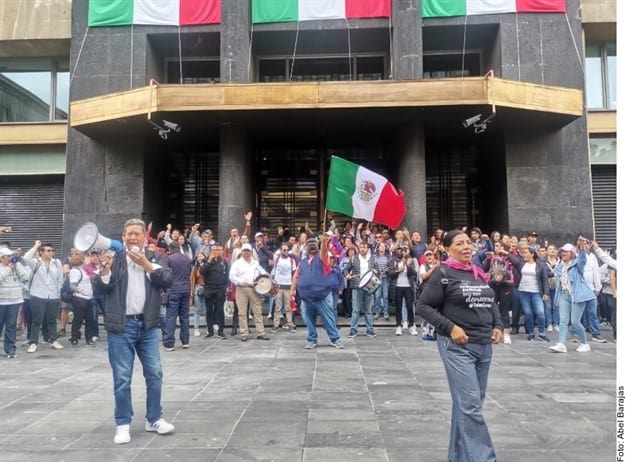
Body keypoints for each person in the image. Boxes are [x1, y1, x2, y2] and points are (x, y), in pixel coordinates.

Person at [417, 229, 503, 462]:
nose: (467, 247)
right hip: (457, 347)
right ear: (446, 249)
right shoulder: (443, 272)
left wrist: (498, 325)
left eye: (469, 242)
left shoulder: (477, 273)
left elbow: (490, 302)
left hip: (484, 345)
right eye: (460, 243)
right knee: (471, 405)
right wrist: (451, 328)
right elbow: (422, 306)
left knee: (468, 405)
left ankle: (458, 456)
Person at [92, 218, 175, 444]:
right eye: (129, 234)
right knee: (121, 378)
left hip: (147, 326)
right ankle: (122, 423)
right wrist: (105, 270)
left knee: (155, 374)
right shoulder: (114, 260)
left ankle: (154, 418)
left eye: (137, 233)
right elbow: (99, 288)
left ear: (143, 237)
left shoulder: (157, 258)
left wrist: (147, 266)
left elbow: (167, 279)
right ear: (123, 237)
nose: (133, 237)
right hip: (121, 327)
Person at [290, 236, 344, 349]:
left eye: (314, 243)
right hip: (305, 297)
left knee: (329, 318)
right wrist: (292, 290)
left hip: (322, 295)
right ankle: (311, 339)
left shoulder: (322, 258)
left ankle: (335, 339)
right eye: (309, 244)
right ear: (305, 247)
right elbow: (296, 276)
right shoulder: (302, 262)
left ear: (317, 246)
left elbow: (323, 252)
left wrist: (324, 243)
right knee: (308, 320)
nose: (311, 245)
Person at [549, 239, 596, 353]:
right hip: (564, 294)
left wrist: (582, 247)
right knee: (563, 321)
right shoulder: (559, 267)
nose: (563, 253)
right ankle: (561, 344)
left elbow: (583, 259)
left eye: (566, 251)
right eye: (562, 251)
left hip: (577, 295)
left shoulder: (577, 265)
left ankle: (584, 343)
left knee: (575, 321)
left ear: (572, 253)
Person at [23, 241, 65, 352]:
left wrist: (59, 293)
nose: (51, 252)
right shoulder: (36, 262)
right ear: (41, 252)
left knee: (52, 320)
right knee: (37, 320)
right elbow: (26, 258)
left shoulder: (57, 263)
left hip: (53, 295)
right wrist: (36, 246)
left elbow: (60, 279)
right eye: (48, 250)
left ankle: (53, 340)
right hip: (38, 294)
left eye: (52, 250)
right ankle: (33, 342)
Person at [229, 243, 270, 341]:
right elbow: (232, 276)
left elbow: (262, 272)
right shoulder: (237, 263)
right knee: (242, 313)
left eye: (248, 251)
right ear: (242, 252)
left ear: (251, 252)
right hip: (241, 289)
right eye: (245, 251)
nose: (246, 253)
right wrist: (240, 282)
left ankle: (261, 332)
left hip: (254, 288)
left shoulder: (255, 262)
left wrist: (266, 276)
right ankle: (244, 333)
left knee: (258, 311)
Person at [343, 241, 378, 339]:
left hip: (369, 286)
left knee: (368, 310)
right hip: (357, 286)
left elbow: (378, 271)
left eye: (364, 247)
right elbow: (345, 269)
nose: (362, 249)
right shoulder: (354, 258)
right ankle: (353, 330)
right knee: (355, 310)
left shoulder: (372, 258)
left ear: (368, 249)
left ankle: (370, 330)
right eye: (361, 247)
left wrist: (376, 271)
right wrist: (347, 275)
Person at [0, 247, 30, 358]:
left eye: (11, 256)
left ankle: (10, 349)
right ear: (1, 258)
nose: (10, 258)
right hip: (2, 301)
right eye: (8, 256)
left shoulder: (16, 265)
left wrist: (17, 266)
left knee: (11, 326)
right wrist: (8, 268)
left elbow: (26, 277)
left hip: (15, 300)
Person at [515, 246, 550, 342]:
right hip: (523, 292)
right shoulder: (521, 264)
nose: (524, 255)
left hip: (536, 292)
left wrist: (546, 292)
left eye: (526, 253)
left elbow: (544, 279)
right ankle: (531, 333)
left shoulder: (540, 265)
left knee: (540, 312)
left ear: (532, 254)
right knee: (528, 313)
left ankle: (542, 333)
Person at [162, 242, 192, 351]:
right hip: (186, 289)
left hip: (174, 289)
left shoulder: (169, 258)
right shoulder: (187, 258)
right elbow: (189, 272)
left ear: (170, 248)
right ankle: (185, 341)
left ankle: (169, 343)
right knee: (185, 316)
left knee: (171, 316)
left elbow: (166, 275)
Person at [200, 244, 230, 339]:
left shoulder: (223, 261)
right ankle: (210, 331)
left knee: (220, 309)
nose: (215, 252)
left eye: (217, 250)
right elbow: (202, 271)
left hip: (220, 288)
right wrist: (209, 261)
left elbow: (227, 274)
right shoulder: (206, 260)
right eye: (213, 250)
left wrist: (227, 286)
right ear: (210, 251)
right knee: (209, 310)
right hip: (209, 288)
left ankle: (221, 331)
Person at [389, 245, 418, 336]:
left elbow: (414, 273)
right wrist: (398, 270)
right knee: (398, 307)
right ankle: (398, 326)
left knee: (410, 307)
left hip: (408, 287)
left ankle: (411, 326)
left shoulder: (410, 260)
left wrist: (409, 267)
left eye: (402, 250)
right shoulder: (393, 260)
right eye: (398, 250)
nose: (400, 252)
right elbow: (390, 273)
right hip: (397, 286)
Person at [68, 250, 95, 347]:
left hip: (88, 298)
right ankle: (74, 338)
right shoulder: (75, 271)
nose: (88, 259)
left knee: (90, 319)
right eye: (86, 258)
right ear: (82, 260)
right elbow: (72, 285)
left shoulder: (84, 271)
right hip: (80, 299)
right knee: (78, 319)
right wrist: (80, 291)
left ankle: (89, 338)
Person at [270, 243, 297, 332]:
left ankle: (290, 324)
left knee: (288, 307)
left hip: (288, 286)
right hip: (278, 286)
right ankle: (276, 325)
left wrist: (294, 287)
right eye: (284, 250)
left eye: (287, 250)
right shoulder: (277, 259)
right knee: (278, 306)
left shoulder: (291, 260)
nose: (286, 252)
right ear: (280, 250)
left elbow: (294, 274)